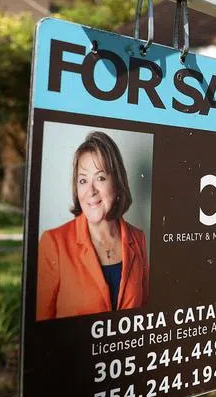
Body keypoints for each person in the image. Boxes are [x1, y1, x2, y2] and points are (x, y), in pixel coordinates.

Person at [36, 130, 149, 320]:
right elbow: (40, 328)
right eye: (83, 180)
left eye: (100, 178)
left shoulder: (139, 239)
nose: (91, 191)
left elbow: (145, 316)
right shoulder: (54, 243)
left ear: (117, 183)